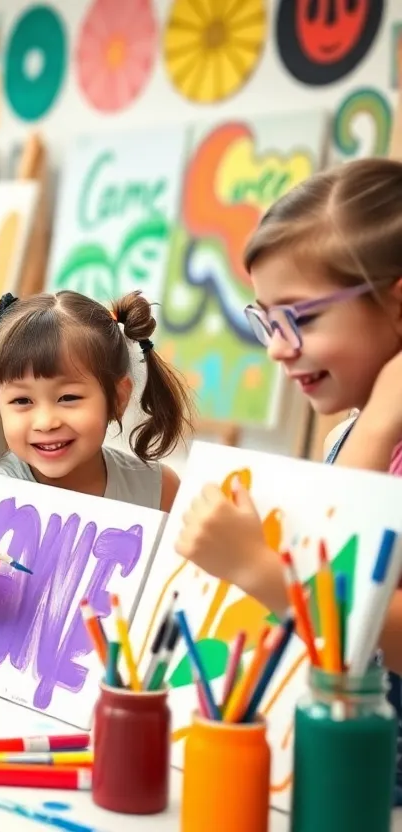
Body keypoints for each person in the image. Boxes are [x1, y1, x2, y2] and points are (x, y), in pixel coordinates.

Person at [173, 159, 402, 800]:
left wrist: (263, 572)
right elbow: (348, 556)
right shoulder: (347, 438)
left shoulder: (375, 434)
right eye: (267, 320)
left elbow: (363, 612)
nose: (277, 347)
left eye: (301, 317)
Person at [0, 290, 193, 630]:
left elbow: (189, 596)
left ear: (117, 398)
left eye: (68, 397)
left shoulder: (158, 488)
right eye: (21, 401)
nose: (46, 421)